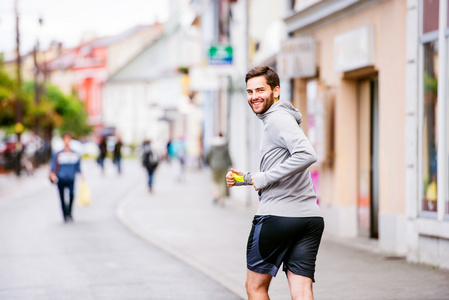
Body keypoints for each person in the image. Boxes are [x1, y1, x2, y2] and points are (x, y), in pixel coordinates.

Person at [226, 65, 324, 300]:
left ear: (276, 91)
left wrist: (261, 178)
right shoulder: (282, 118)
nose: (254, 97)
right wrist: (247, 179)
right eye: (250, 92)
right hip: (309, 218)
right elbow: (282, 165)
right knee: (301, 290)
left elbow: (307, 154)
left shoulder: (277, 118)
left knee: (256, 287)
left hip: (277, 217)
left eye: (260, 90)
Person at [49, 132, 82, 223]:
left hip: (71, 177)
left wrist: (81, 175)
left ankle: (69, 212)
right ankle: (65, 214)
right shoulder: (58, 153)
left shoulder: (74, 153)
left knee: (72, 195)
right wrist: (52, 174)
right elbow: (53, 165)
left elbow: (78, 166)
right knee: (62, 197)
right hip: (61, 178)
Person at [205, 132, 232, 206]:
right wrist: (231, 164)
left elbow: (208, 156)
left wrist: (208, 163)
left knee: (215, 182)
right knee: (223, 182)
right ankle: (222, 199)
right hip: (223, 166)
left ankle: (216, 194)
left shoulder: (212, 146)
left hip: (214, 166)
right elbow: (228, 157)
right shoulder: (225, 146)